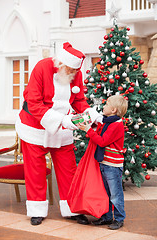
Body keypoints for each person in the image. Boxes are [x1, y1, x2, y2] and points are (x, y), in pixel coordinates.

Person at [15, 42, 102, 225]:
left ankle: (72, 209)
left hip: (63, 127)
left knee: (68, 170)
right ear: (61, 63)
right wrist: (62, 120)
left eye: (75, 71)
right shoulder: (42, 67)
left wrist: (91, 114)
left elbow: (79, 99)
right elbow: (34, 102)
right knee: (35, 171)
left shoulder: (75, 73)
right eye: (69, 69)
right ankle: (37, 210)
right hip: (34, 126)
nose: (72, 74)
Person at [77, 94, 128, 230]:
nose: (103, 106)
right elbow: (99, 132)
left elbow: (102, 140)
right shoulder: (108, 121)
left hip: (112, 165)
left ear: (114, 110)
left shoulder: (116, 125)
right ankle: (106, 217)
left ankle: (119, 218)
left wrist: (88, 130)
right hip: (105, 162)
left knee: (115, 194)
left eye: (106, 104)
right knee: (105, 192)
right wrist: (90, 125)